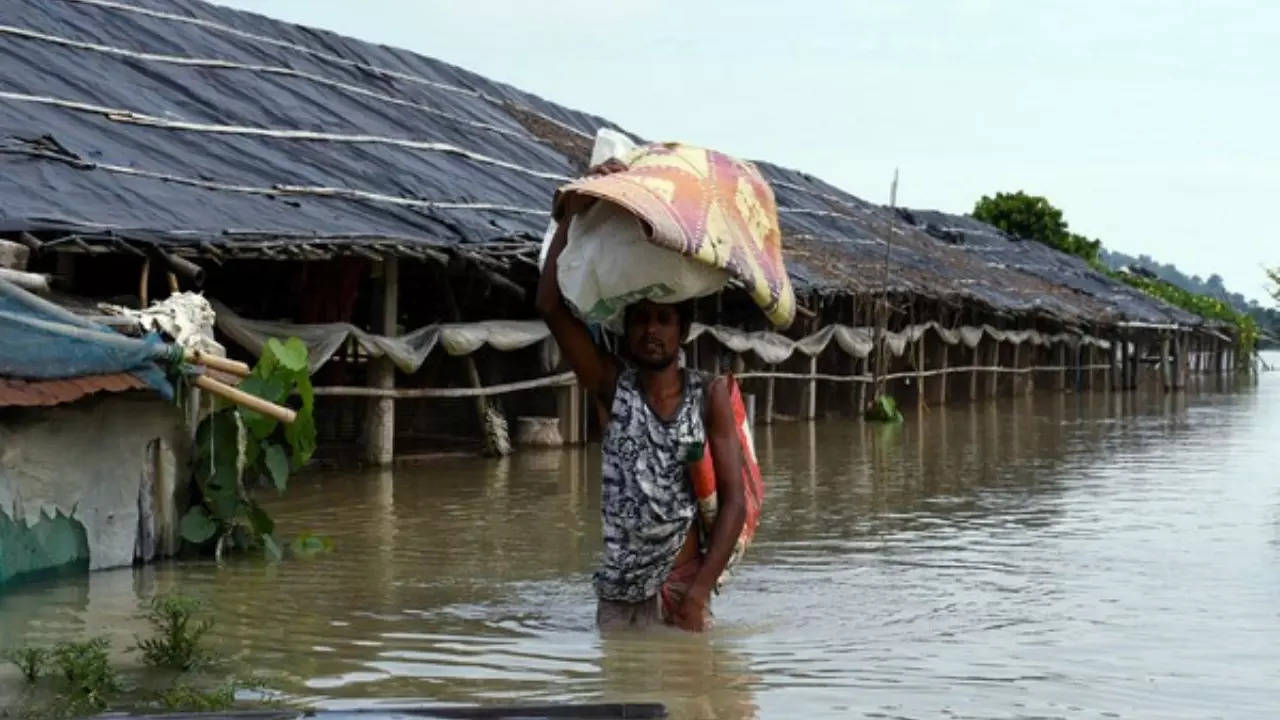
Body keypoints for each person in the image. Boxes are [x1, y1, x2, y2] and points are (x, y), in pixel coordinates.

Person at [536, 191, 746, 633]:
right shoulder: (612, 386)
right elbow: (550, 307)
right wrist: (568, 218)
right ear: (627, 328)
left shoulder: (708, 396)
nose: (651, 330)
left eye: (663, 320)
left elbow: (734, 504)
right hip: (617, 594)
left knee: (680, 700)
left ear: (682, 330)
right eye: (641, 319)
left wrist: (699, 593)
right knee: (619, 696)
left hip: (678, 590)